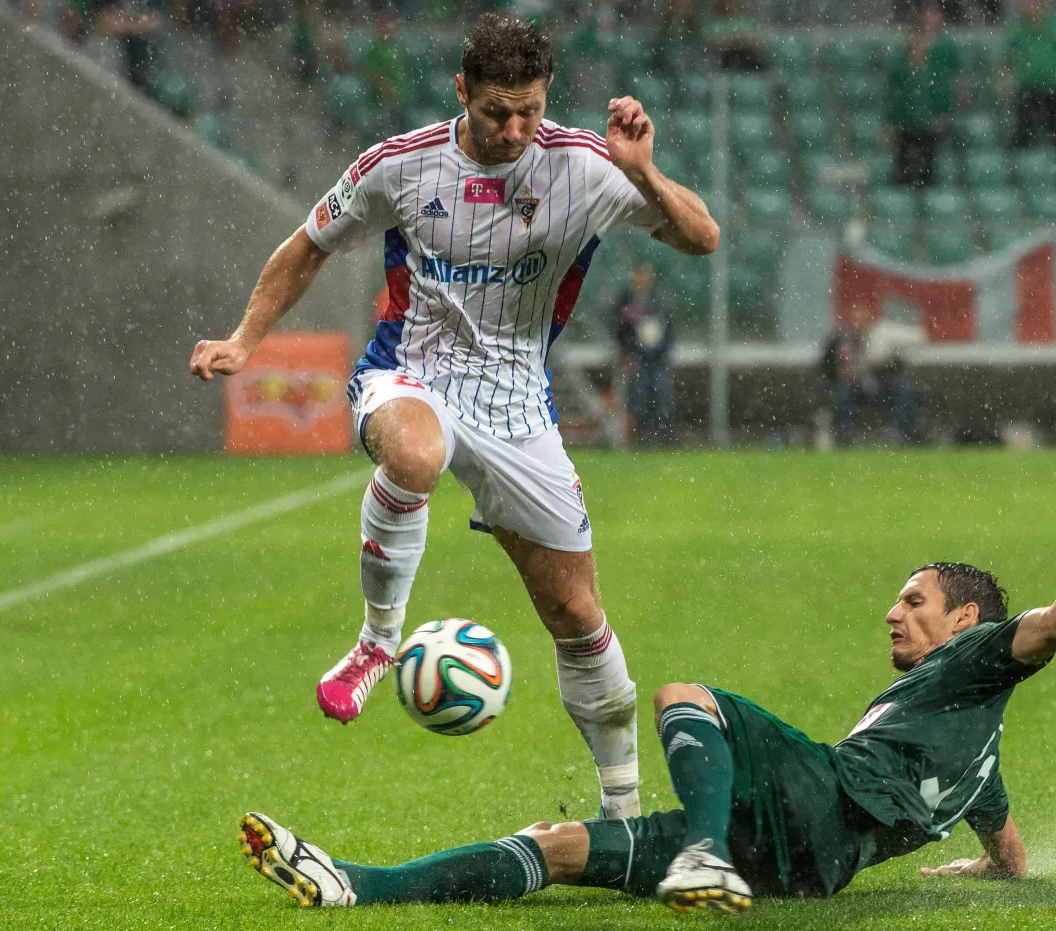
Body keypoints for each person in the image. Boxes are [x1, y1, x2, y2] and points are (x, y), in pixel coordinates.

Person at [236, 444, 1056, 913]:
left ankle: (703, 851)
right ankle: (359, 884)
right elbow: (1008, 847)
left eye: (915, 599)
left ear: (966, 623)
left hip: (814, 803)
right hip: (808, 868)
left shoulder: (975, 660)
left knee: (688, 698)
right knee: (562, 845)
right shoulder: (973, 742)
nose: (894, 612)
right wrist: (993, 866)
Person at [189, 13, 719, 820]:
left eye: (529, 113)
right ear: (462, 92)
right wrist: (243, 339)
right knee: (414, 455)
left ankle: (623, 815)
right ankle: (376, 641)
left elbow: (703, 237)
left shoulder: (585, 166)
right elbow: (307, 246)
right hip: (412, 370)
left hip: (518, 408)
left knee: (578, 616)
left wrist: (643, 172)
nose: (512, 131)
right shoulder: (399, 167)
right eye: (495, 112)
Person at [885, 3, 964, 189]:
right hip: (908, 124)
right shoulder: (904, 72)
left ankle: (925, 194)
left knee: (928, 164)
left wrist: (941, 114)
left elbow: (945, 90)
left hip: (927, 125)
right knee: (903, 164)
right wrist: (891, 123)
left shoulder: (934, 71)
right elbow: (894, 99)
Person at [1003, 0, 1056, 187]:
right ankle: (1020, 177)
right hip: (1028, 90)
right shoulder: (1018, 28)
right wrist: (1006, 82)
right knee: (1023, 134)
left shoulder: (1055, 25)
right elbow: (1009, 59)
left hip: (1054, 89)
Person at [615, 262, 676, 445]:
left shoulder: (659, 299)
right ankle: (642, 436)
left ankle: (665, 436)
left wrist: (663, 352)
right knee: (638, 397)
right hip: (638, 358)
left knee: (662, 396)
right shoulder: (626, 300)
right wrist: (628, 352)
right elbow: (621, 329)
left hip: (657, 357)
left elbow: (668, 328)